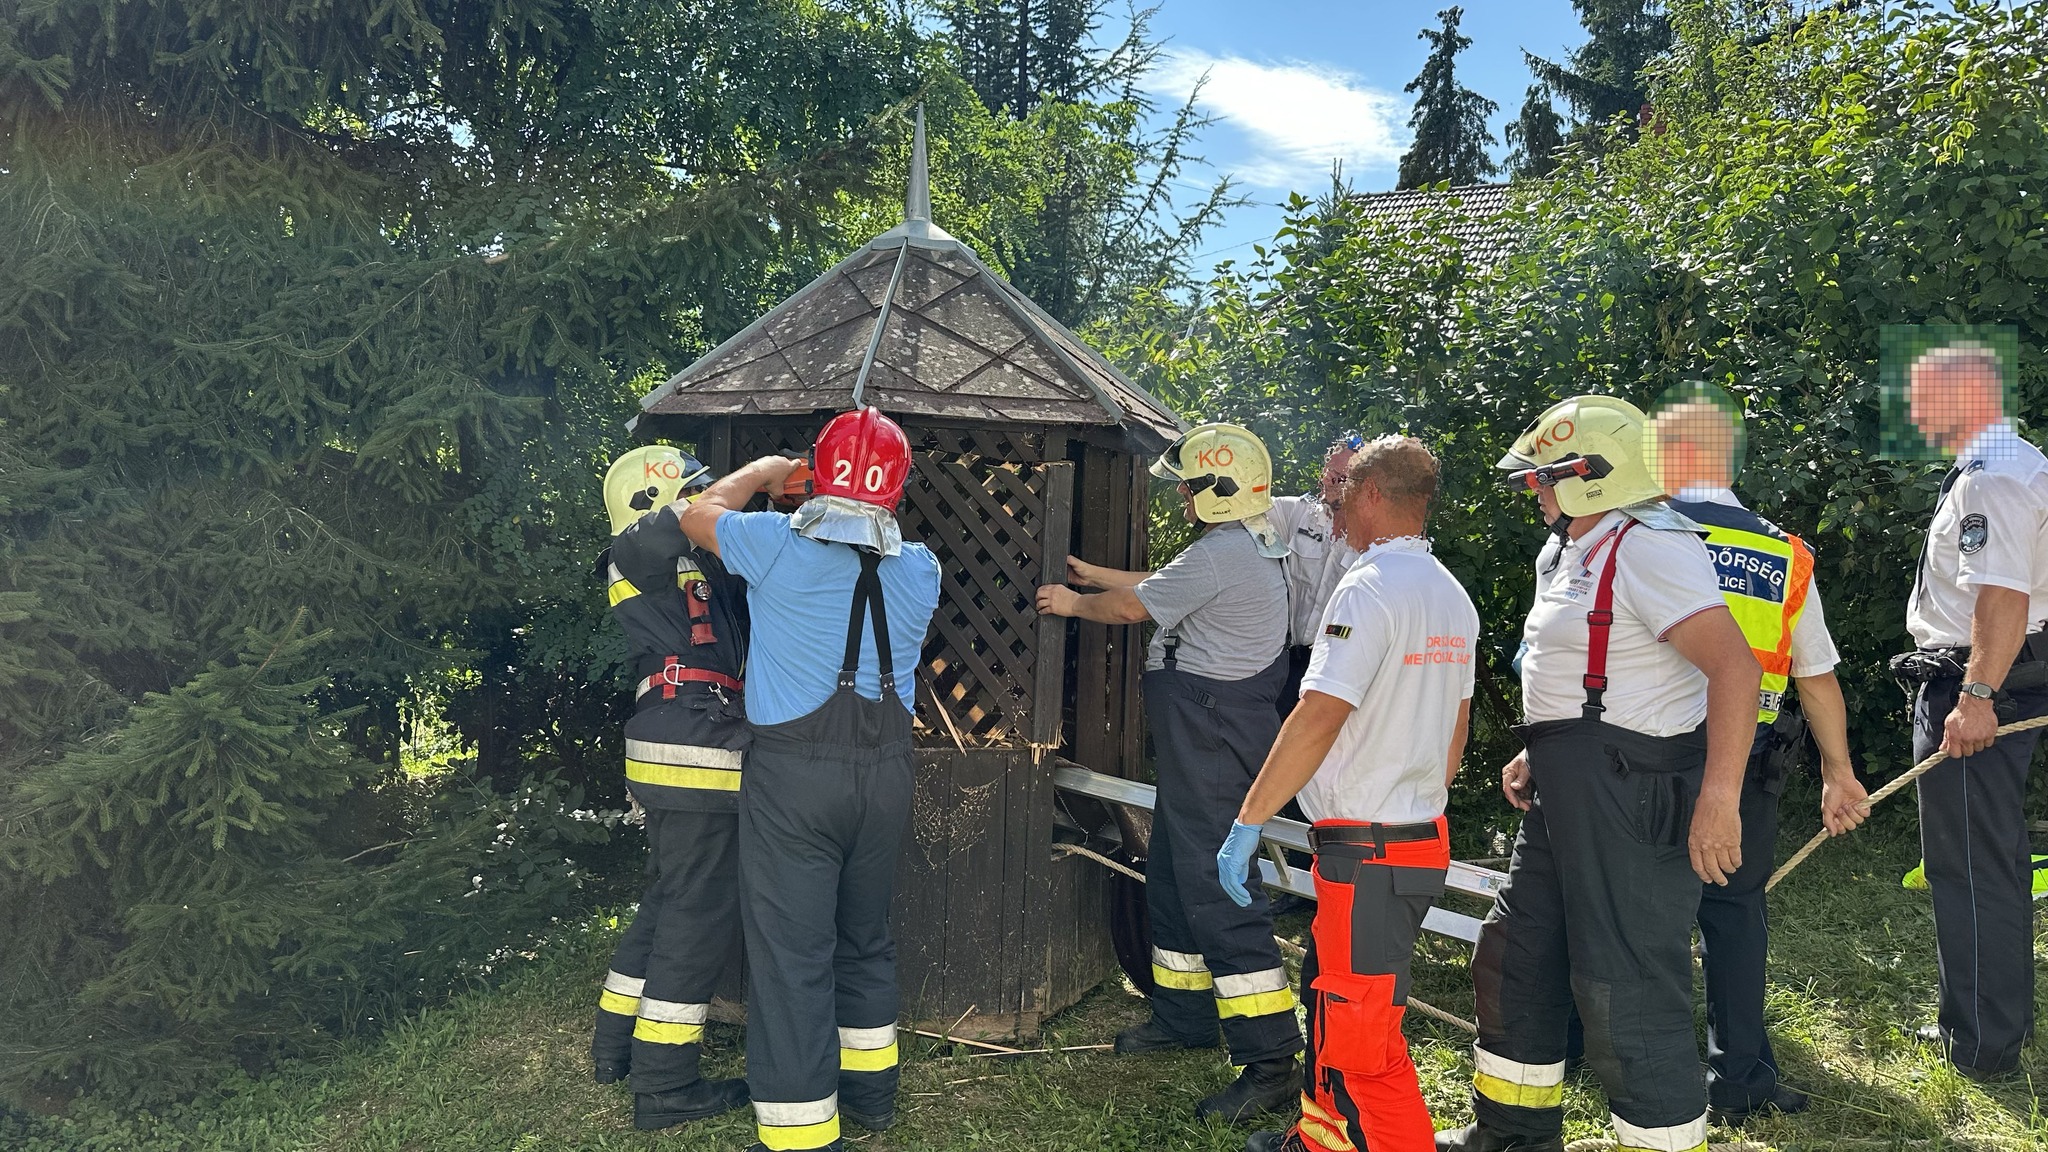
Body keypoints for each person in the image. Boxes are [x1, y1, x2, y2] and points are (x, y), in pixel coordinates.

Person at [1437, 395, 1761, 1152]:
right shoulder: (1570, 547)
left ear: (1592, 476)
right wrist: (1536, 750)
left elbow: (1735, 671)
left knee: (1625, 988)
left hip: (1634, 790)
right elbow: (1593, 666)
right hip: (1566, 783)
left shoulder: (1649, 546)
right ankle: (1513, 1133)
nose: (1532, 492)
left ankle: (1661, 1141)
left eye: (1541, 477)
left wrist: (1719, 797)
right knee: (1516, 956)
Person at [677, 408, 942, 1152]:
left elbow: (697, 513)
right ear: (897, 486)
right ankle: (872, 1096)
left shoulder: (769, 544)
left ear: (818, 478)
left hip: (794, 782)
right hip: (885, 776)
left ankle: (800, 1131)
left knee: (792, 955)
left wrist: (766, 472)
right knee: (864, 938)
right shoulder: (922, 568)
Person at [1217, 436, 1480, 1152]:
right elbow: (1454, 737)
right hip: (1412, 840)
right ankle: (1320, 1137)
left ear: (1369, 494)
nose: (1331, 512)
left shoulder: (1368, 588)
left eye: (1339, 498)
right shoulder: (1449, 595)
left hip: (1368, 850)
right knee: (1333, 1003)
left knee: (1365, 1048)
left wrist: (1249, 820)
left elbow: (1319, 714)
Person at [1037, 422, 1304, 1122]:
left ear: (1215, 492)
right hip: (1210, 730)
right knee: (1176, 872)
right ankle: (1185, 1016)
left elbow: (1135, 606)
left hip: (1213, 732)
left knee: (1218, 883)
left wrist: (1071, 602)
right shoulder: (1249, 543)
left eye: (1187, 486)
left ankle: (1271, 1058)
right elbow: (1166, 587)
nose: (1180, 495)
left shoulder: (1220, 552)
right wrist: (1095, 574)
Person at [1647, 394, 1870, 1122]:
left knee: (1634, 913)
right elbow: (1817, 678)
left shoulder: (1638, 533)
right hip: (1747, 766)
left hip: (1645, 756)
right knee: (1735, 916)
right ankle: (1739, 1076)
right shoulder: (1784, 552)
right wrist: (1839, 772)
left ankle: (1621, 1059)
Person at [1894, 342, 2048, 1082]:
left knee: (1970, 866)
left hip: (1980, 684)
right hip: (1980, 678)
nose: (1914, 412)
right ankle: (1987, 1021)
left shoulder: (1997, 477)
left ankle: (1983, 1043)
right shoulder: (1999, 470)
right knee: (1976, 861)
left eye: (1924, 396)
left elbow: (2004, 594)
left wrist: (1976, 696)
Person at [590, 445, 753, 1131]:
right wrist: (766, 471)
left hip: (679, 748)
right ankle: (664, 1084)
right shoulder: (633, 553)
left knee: (668, 898)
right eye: (694, 488)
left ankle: (615, 1047)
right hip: (694, 753)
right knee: (697, 915)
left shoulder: (691, 568)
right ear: (652, 501)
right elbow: (691, 514)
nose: (707, 496)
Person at [1266, 435, 1365, 716]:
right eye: (1329, 472)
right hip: (1287, 660)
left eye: (1342, 478)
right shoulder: (1299, 514)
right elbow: (1250, 507)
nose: (1330, 482)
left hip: (1338, 668)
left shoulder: (1372, 537)